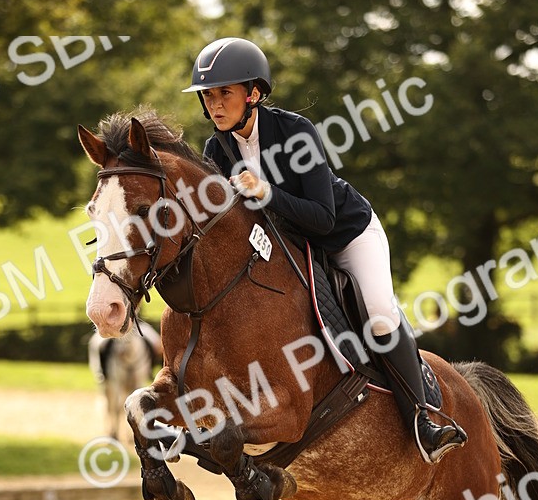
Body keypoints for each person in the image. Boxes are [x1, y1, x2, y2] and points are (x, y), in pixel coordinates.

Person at [182, 36, 467, 464]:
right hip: (291, 248)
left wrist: (267, 194)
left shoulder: (296, 131)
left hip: (347, 236)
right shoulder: (215, 151)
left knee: (379, 311)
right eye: (209, 95)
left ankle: (424, 420)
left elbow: (322, 218)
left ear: (254, 93)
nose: (216, 104)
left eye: (225, 92)